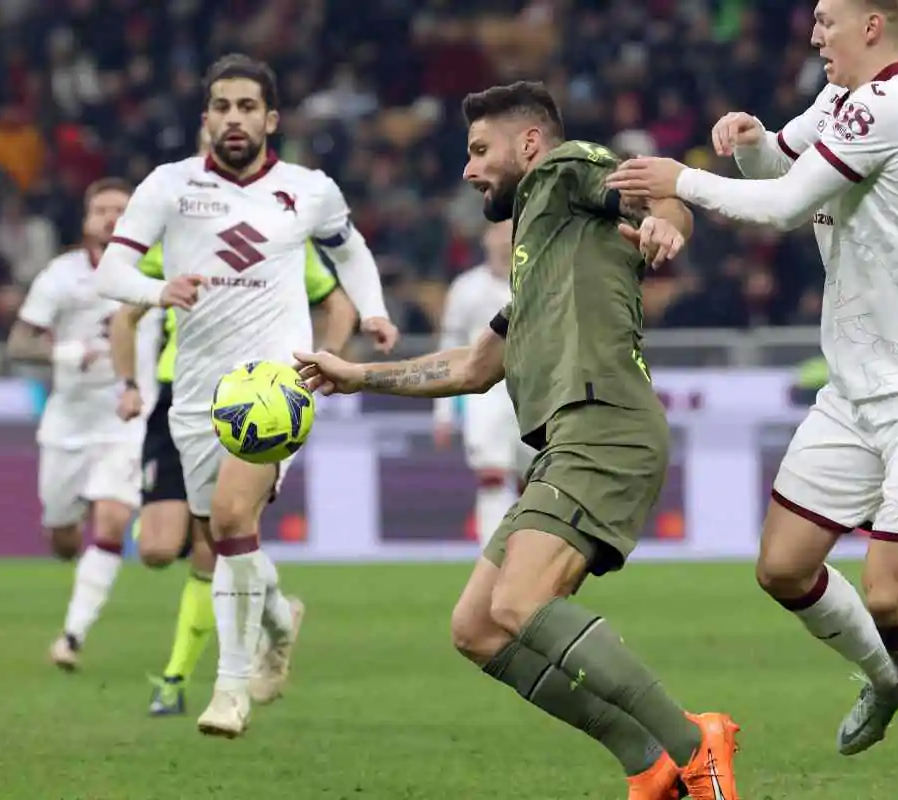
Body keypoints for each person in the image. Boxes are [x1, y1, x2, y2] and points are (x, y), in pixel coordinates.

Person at [294, 81, 741, 800]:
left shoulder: (565, 169)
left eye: (480, 150)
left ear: (528, 143)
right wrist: (356, 377)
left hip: (604, 426)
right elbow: (473, 368)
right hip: (569, 441)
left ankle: (694, 744)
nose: (468, 168)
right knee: (477, 626)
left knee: (520, 602)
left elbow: (661, 194)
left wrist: (667, 223)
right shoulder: (543, 252)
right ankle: (647, 760)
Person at [610, 1, 898, 797]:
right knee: (784, 568)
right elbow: (782, 172)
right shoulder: (840, 100)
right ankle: (886, 677)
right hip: (858, 391)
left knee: (889, 594)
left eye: (827, 20)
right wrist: (754, 143)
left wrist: (682, 181)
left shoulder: (891, 108)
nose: (814, 34)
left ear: (872, 26)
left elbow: (784, 209)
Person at [93, 53, 397, 738]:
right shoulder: (169, 186)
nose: (235, 118)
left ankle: (228, 691)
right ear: (206, 118)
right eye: (223, 107)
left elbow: (350, 250)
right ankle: (279, 619)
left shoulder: (308, 190)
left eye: (248, 107)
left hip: (272, 387)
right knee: (223, 533)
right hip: (194, 394)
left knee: (232, 516)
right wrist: (158, 290)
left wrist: (374, 311)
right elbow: (111, 271)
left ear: (272, 118)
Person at [111, 233, 361, 718]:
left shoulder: (283, 232)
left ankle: (205, 685)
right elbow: (126, 315)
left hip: (257, 396)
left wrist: (325, 358)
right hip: (182, 394)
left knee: (225, 528)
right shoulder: (178, 231)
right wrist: (127, 383)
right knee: (158, 548)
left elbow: (339, 304)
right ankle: (279, 616)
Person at [6, 178, 148, 670]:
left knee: (112, 520)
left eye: (120, 209)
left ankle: (72, 637)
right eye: (101, 209)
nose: (111, 218)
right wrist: (63, 353)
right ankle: (65, 529)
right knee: (64, 538)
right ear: (86, 220)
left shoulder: (159, 271)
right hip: (68, 423)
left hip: (127, 418)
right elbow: (19, 343)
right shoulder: (61, 276)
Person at [434, 220, 535, 546]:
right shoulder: (466, 288)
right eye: (499, 232)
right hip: (484, 394)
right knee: (492, 476)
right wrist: (443, 412)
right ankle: (492, 558)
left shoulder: (539, 279)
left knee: (537, 480)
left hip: (534, 392)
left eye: (511, 232)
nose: (505, 240)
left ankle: (531, 555)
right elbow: (449, 348)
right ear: (485, 238)